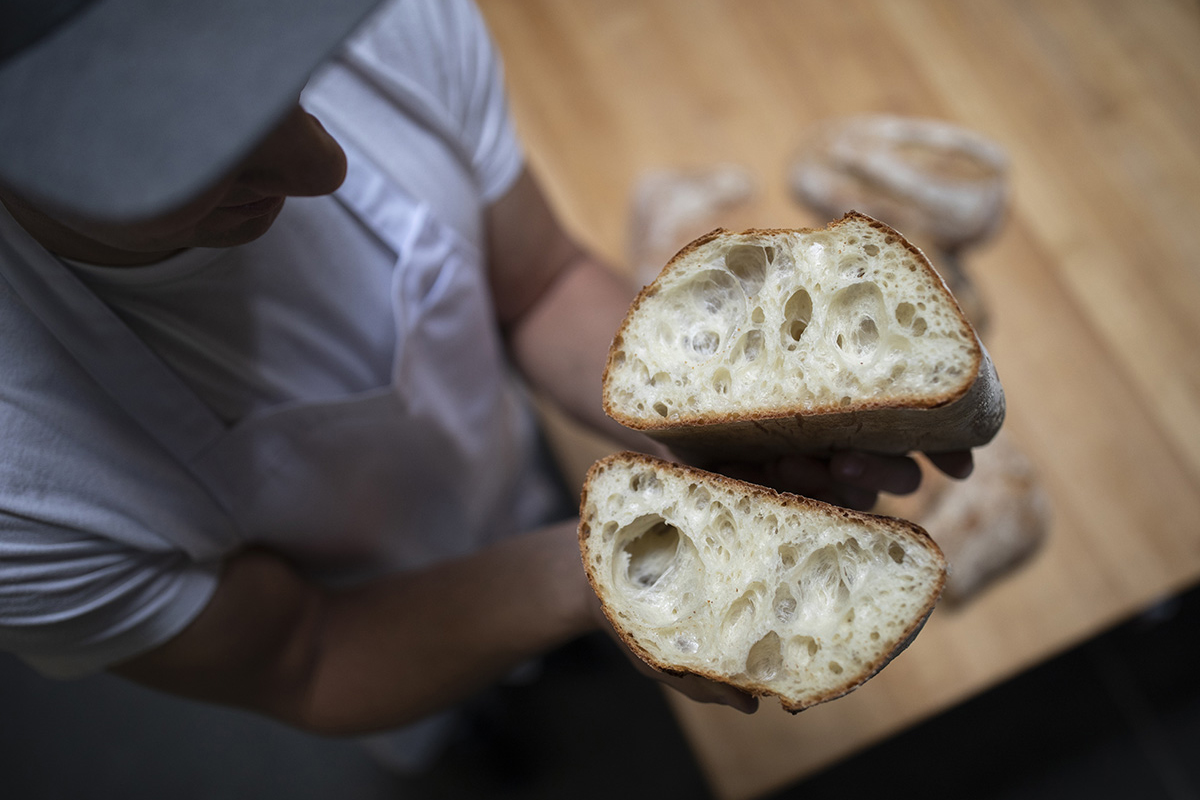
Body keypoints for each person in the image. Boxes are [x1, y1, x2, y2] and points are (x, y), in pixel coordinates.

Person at [0, 0, 971, 770]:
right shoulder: (21, 482)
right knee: (455, 730)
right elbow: (304, 655)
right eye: (198, 153)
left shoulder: (383, 18)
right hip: (363, 626)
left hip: (512, 473)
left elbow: (538, 279)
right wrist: (596, 575)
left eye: (291, 83)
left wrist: (730, 404)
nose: (322, 163)